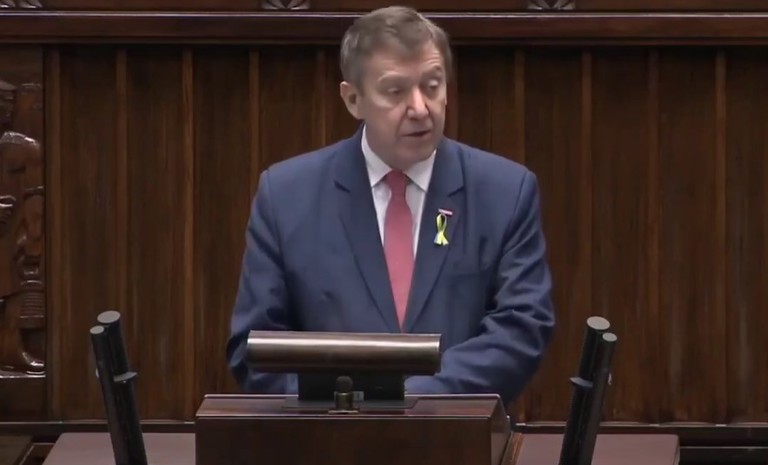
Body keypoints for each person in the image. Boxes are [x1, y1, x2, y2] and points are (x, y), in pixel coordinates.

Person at [226, 6, 555, 406]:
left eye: (432, 86)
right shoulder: (286, 196)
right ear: (353, 99)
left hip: (456, 431)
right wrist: (343, 409)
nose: (420, 108)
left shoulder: (505, 192)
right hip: (326, 432)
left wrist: (409, 401)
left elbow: (521, 329)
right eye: (395, 91)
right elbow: (255, 346)